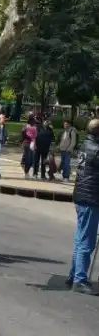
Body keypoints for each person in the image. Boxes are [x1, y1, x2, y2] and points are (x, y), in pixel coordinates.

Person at [68, 118, 99, 295]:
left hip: (82, 195)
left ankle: (74, 274)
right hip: (90, 197)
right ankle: (80, 279)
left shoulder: (86, 146)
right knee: (87, 240)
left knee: (80, 238)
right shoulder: (96, 150)